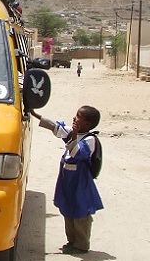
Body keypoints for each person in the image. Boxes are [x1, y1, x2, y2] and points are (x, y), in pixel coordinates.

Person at [31, 106, 103, 253]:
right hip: (67, 179)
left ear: (87, 124)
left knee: (81, 211)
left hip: (80, 182)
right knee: (68, 208)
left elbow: (77, 153)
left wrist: (75, 135)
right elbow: (56, 127)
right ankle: (71, 241)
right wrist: (34, 114)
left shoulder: (90, 139)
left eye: (78, 116)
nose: (74, 118)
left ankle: (81, 244)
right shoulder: (74, 132)